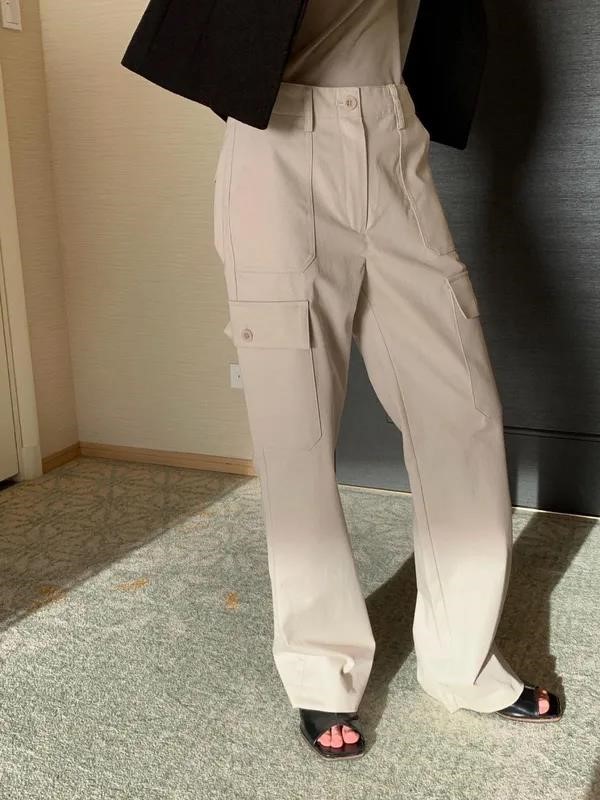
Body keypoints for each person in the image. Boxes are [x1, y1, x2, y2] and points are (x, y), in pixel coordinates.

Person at [121, 0, 564, 761]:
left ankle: (461, 662)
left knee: (461, 409)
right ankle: (319, 661)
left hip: (392, 133)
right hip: (279, 142)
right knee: (297, 425)